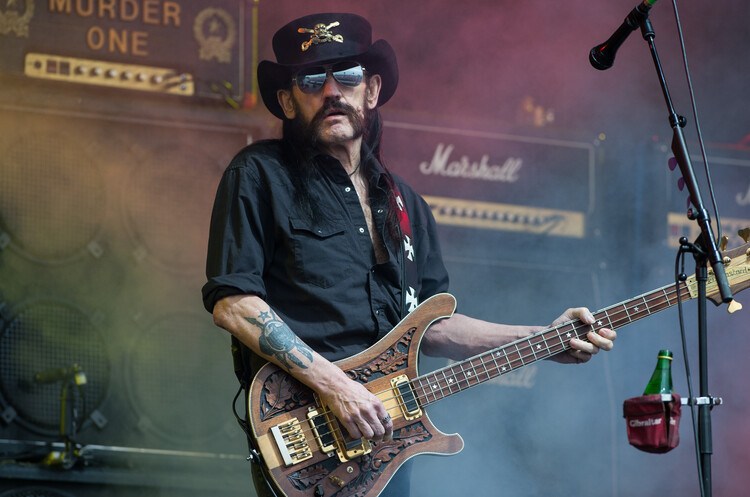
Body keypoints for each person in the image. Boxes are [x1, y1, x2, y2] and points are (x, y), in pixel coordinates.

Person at [202, 12, 617, 497]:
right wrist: (337, 386)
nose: (332, 91)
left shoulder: (406, 205)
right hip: (309, 437)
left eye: (348, 75)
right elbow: (232, 302)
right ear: (288, 100)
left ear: (371, 91)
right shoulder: (258, 174)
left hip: (387, 445)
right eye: (312, 79)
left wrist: (543, 337)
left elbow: (430, 324)